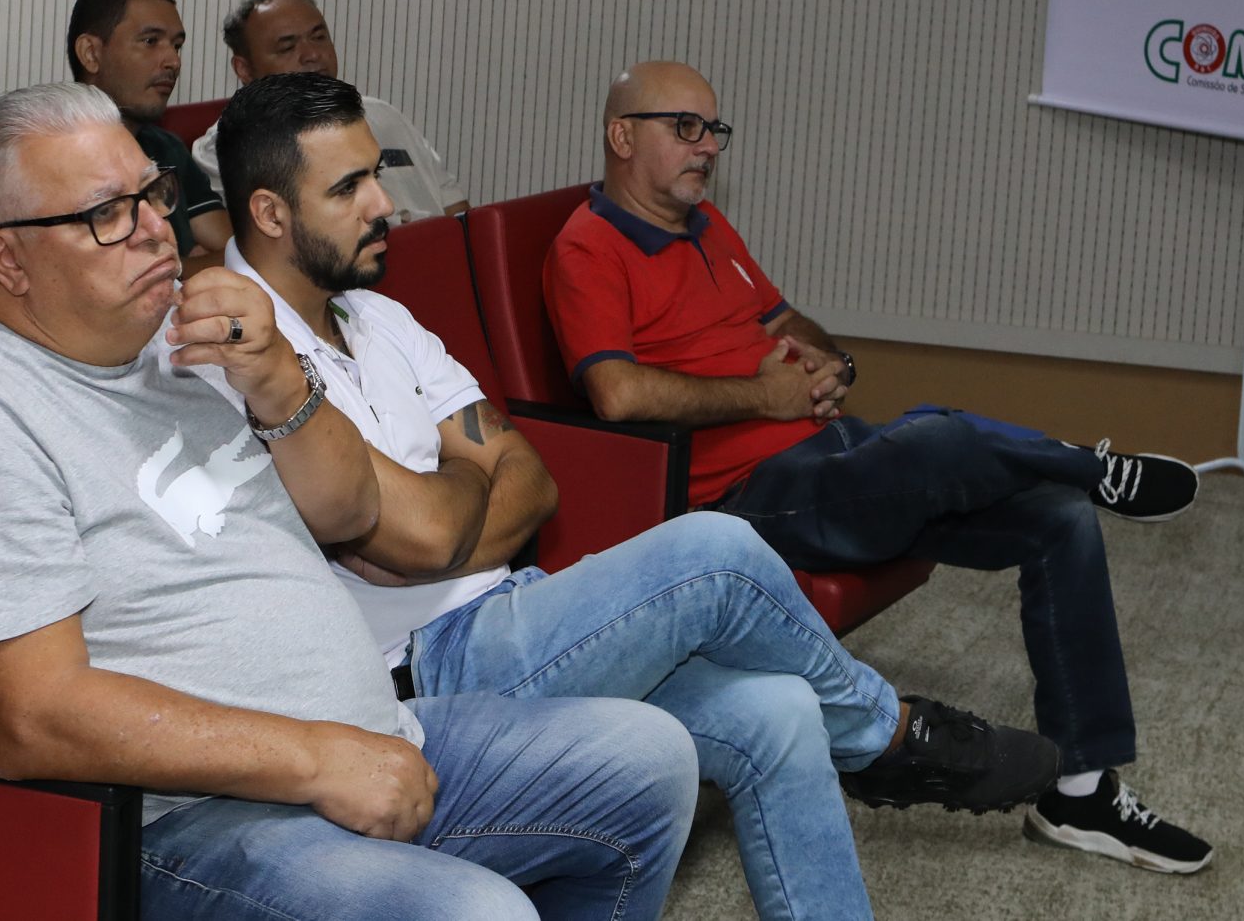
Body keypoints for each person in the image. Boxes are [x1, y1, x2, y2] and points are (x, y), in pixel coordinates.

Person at [211, 72, 1059, 921]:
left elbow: (529, 480)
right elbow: (426, 530)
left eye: (375, 174)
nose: (385, 202)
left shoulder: (377, 316)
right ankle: (884, 733)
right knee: (711, 550)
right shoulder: (239, 359)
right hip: (423, 667)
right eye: (349, 185)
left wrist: (449, 503)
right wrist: (459, 497)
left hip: (506, 607)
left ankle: (858, 739)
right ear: (272, 213)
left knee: (784, 710)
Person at [0, 82, 698, 921]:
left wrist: (280, 383)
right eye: (108, 213)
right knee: (474, 914)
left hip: (370, 733)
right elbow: (27, 716)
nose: (158, 226)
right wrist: (319, 757)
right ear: (7, 258)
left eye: (153, 192)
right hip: (179, 820)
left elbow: (346, 512)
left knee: (649, 760)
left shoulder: (173, 336)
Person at [545, 60, 1215, 876]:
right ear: (622, 135)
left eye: (713, 129)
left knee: (1056, 521)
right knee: (941, 436)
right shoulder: (587, 246)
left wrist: (829, 363)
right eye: (684, 127)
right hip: (749, 500)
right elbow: (614, 393)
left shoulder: (708, 228)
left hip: (829, 459)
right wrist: (765, 395)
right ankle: (1088, 463)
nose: (707, 146)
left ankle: (1078, 789)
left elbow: (782, 315)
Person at [191, 0, 468, 222]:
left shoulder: (382, 114)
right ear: (244, 69)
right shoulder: (227, 149)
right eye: (288, 47)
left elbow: (458, 211)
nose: (312, 54)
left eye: (319, 37)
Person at [64, 0, 232, 266]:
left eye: (176, 45)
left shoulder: (166, 146)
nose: (173, 61)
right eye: (150, 41)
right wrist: (183, 264)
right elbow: (100, 281)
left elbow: (234, 256)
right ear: (91, 53)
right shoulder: (51, 154)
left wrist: (172, 266)